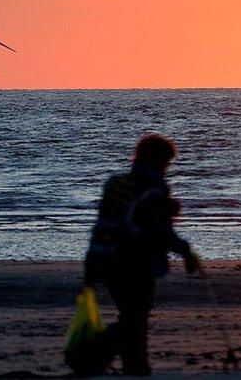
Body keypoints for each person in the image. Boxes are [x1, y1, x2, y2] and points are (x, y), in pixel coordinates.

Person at [83, 133, 202, 376]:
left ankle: (133, 366)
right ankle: (102, 355)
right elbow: (159, 232)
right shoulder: (152, 190)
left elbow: (106, 223)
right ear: (159, 160)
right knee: (135, 318)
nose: (167, 168)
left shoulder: (116, 183)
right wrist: (186, 252)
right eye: (167, 162)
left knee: (131, 315)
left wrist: (91, 267)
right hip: (134, 263)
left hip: (103, 260)